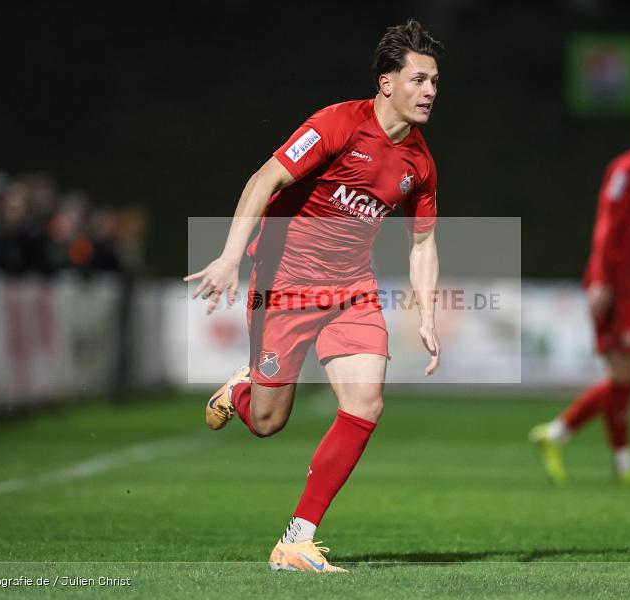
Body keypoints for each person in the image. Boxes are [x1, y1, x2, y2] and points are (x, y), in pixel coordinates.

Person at [184, 20, 443, 573]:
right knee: (269, 422)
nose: (429, 92)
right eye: (418, 80)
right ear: (386, 82)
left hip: (352, 289)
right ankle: (243, 390)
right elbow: (264, 180)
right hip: (285, 283)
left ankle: (296, 540)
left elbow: (423, 242)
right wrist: (230, 256)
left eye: (434, 82)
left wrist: (425, 311)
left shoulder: (420, 163)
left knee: (366, 403)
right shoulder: (337, 123)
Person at [530, 99, 630, 485]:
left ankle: (581, 445)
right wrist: (601, 278)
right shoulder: (627, 170)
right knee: (622, 376)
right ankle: (586, 447)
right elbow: (606, 225)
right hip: (614, 285)